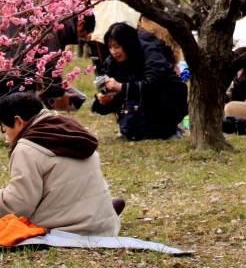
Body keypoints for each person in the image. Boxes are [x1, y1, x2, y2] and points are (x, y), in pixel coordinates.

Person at [0, 92, 119, 235]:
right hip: (104, 225)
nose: (6, 137)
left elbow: (18, 206)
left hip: (68, 229)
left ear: (18, 121)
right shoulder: (69, 127)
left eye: (4, 129)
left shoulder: (27, 148)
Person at [90, 23, 187, 140]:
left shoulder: (151, 54)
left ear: (127, 43)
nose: (113, 51)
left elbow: (152, 85)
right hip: (136, 109)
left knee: (141, 92)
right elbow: (110, 88)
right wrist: (103, 100)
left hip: (167, 102)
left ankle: (168, 130)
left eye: (117, 46)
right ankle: (134, 128)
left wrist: (121, 87)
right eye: (110, 47)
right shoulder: (112, 62)